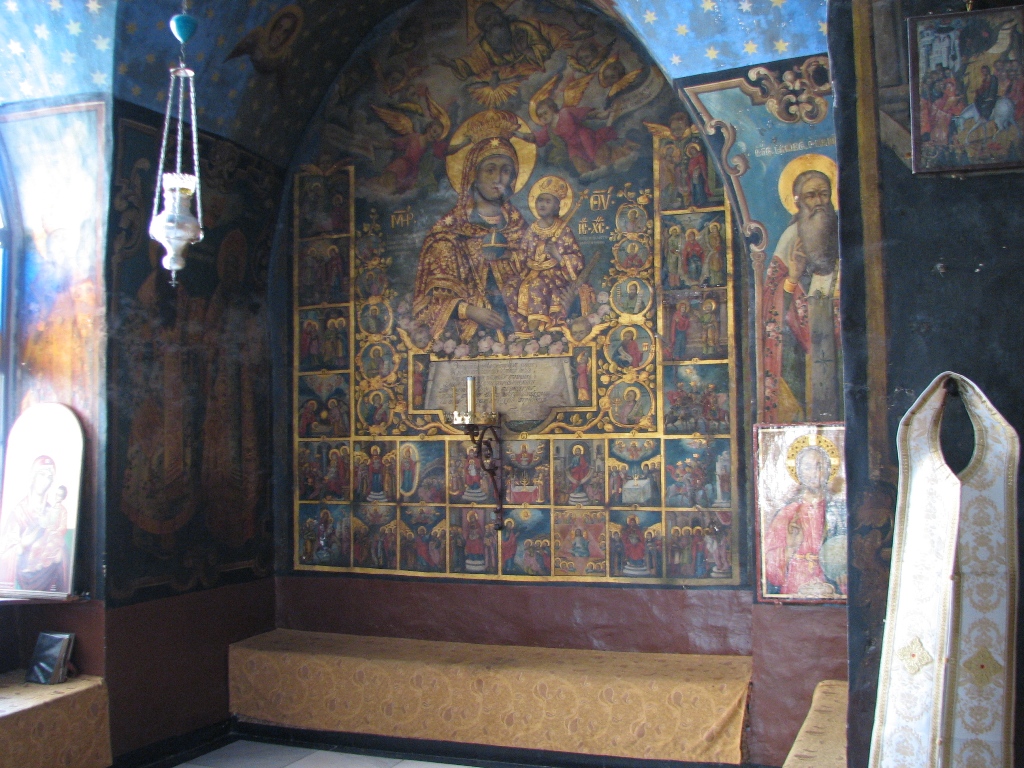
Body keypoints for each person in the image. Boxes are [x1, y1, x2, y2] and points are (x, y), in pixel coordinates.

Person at [413, 121, 530, 342]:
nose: (498, 178)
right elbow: (428, 302)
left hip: (520, 336)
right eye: (490, 169)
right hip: (470, 339)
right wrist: (469, 311)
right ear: (473, 175)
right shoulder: (448, 233)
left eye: (506, 170)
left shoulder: (521, 229)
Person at [762, 169, 842, 422]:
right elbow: (770, 304)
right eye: (811, 196)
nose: (819, 202)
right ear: (797, 200)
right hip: (799, 346)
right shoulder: (790, 239)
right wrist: (793, 278)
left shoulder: (843, 229)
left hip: (841, 340)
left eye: (824, 195)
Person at [517, 175, 589, 331]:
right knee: (513, 288)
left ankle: (539, 327)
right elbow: (522, 254)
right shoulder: (532, 230)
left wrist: (557, 255)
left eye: (547, 201)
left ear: (557, 206)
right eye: (540, 200)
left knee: (538, 285)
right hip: (532, 272)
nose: (542, 204)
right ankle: (521, 331)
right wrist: (528, 261)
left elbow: (577, 258)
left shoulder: (563, 230)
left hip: (557, 276)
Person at [764, 445, 833, 595]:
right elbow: (770, 566)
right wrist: (791, 547)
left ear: (828, 471)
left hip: (828, 584)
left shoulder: (835, 511)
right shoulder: (788, 513)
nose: (814, 473)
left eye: (819, 466)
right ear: (799, 472)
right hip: (795, 583)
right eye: (808, 467)